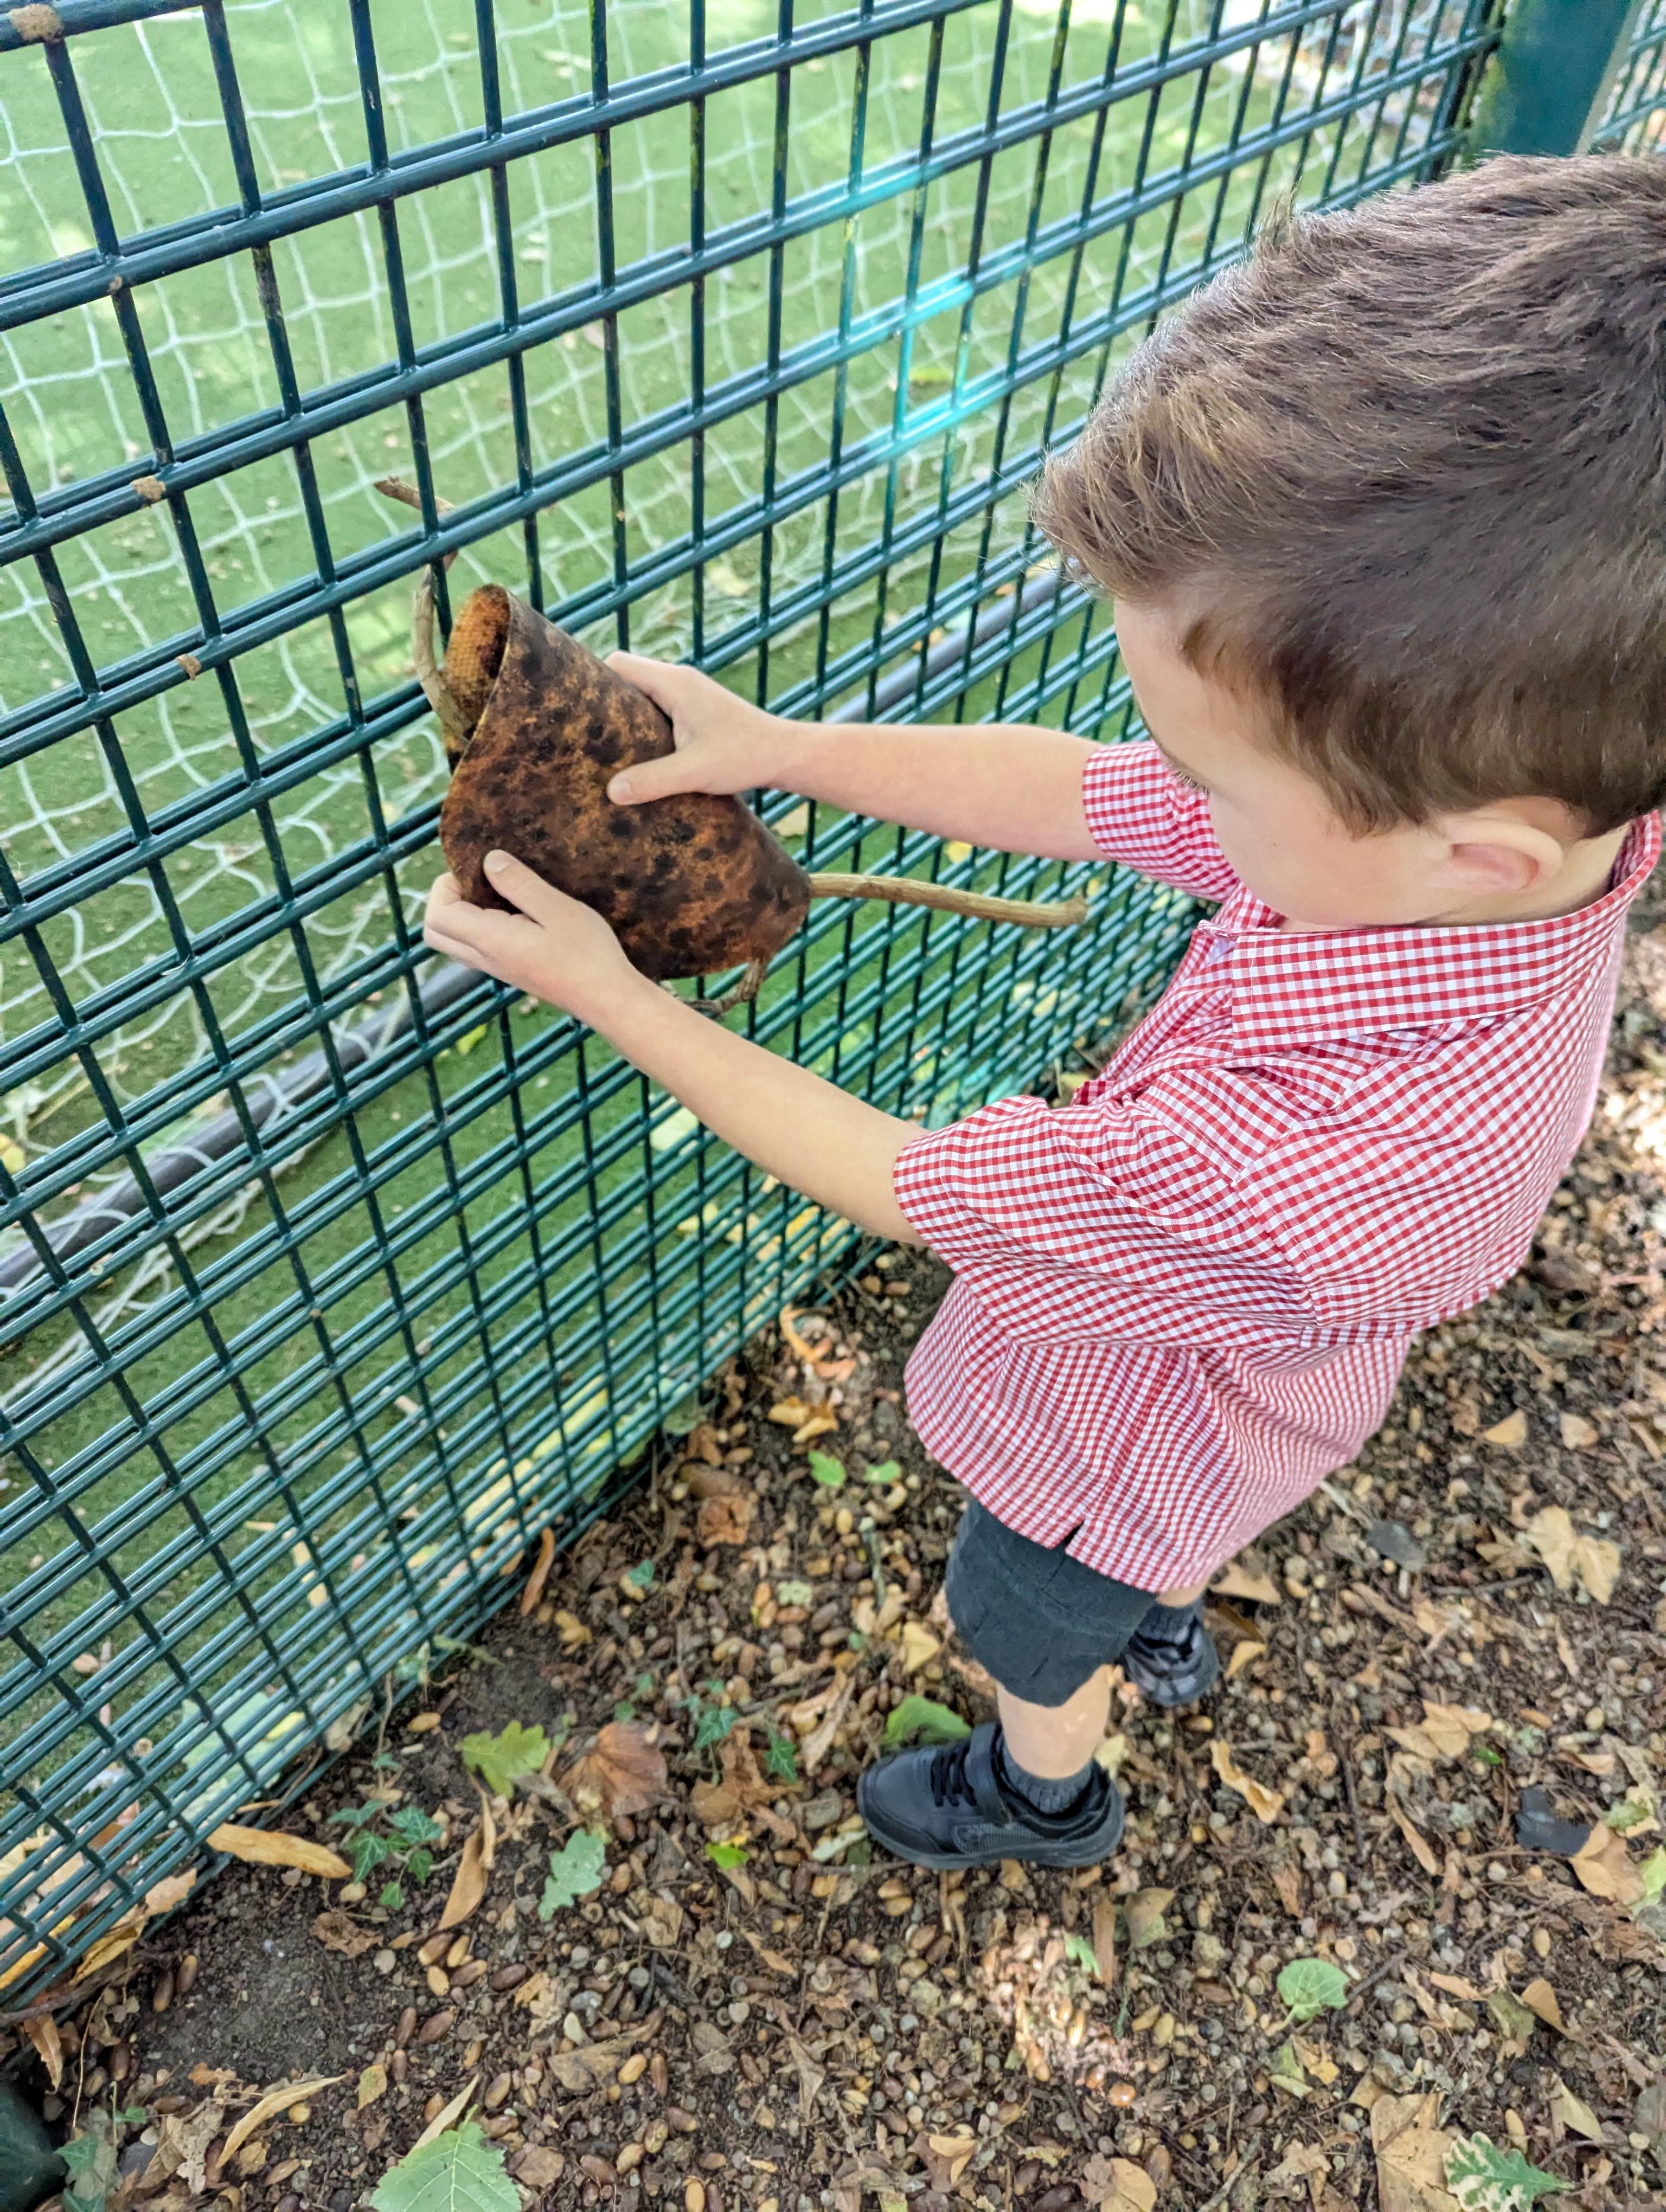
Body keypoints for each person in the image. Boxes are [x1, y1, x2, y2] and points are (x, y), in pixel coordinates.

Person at [424, 155, 1666, 1872]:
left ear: (1471, 850)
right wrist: (785, 749)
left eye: (1211, 779)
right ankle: (1159, 1600)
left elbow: (907, 1182)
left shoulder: (1313, 1166)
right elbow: (1087, 795)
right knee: (1162, 1538)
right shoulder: (1491, 848)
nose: (1172, 791)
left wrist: (605, 989)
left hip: (1115, 1448)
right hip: (1258, 1372)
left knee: (1020, 1617)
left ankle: (1044, 1792)